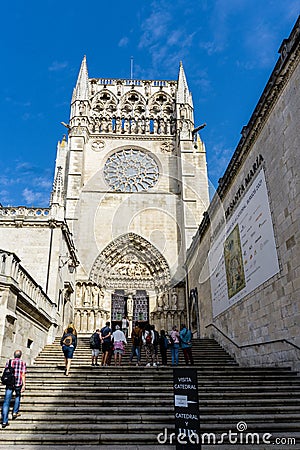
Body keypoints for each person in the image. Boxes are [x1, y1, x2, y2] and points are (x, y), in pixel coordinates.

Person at [1, 350, 26, 428]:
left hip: (9, 383)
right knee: (17, 397)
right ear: (20, 355)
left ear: (14, 355)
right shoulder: (23, 363)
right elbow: (23, 374)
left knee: (6, 402)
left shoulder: (9, 362)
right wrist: (24, 385)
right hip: (18, 383)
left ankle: (4, 421)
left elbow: (6, 372)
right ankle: (15, 412)